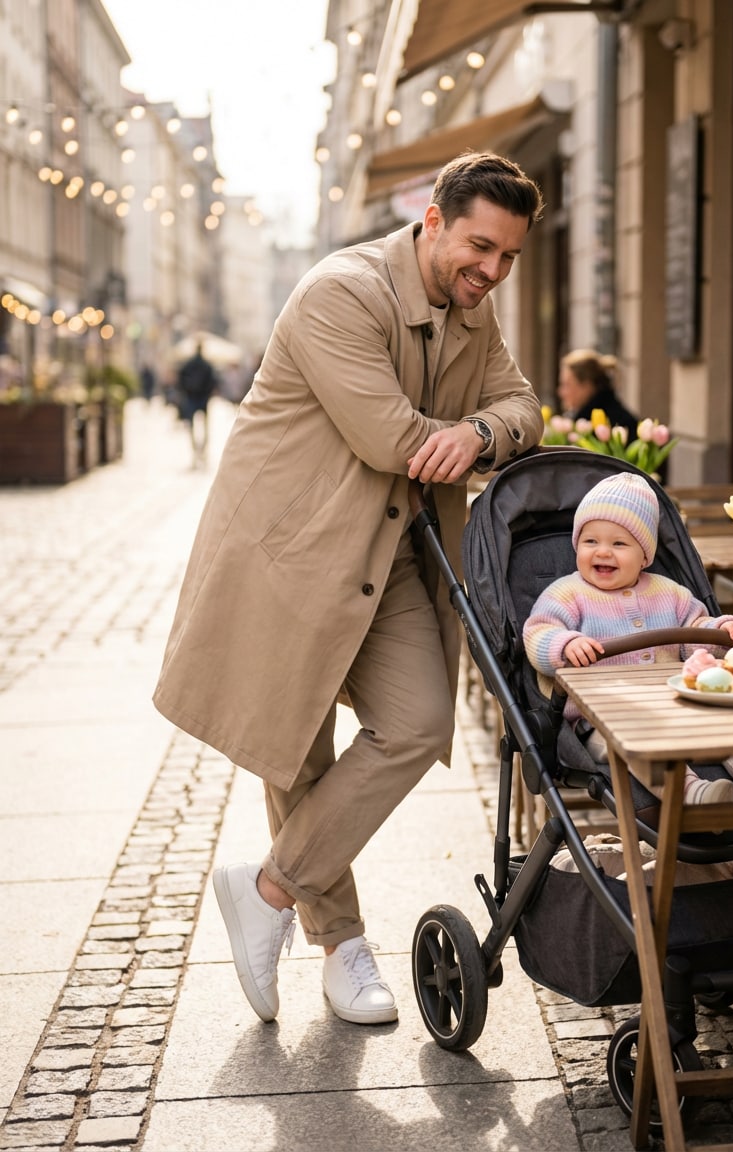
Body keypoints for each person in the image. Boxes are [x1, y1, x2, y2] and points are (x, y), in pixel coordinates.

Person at [153, 152, 545, 1027]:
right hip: (291, 554)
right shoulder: (343, 291)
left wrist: (481, 428)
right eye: (481, 248)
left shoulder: (472, 314)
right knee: (299, 748)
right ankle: (343, 949)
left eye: (509, 258)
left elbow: (524, 408)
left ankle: (267, 887)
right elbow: (387, 436)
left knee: (416, 725)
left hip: (396, 552)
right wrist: (466, 437)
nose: (492, 272)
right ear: (433, 221)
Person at [522, 472, 733, 805]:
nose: (603, 552)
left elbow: (696, 630)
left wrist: (721, 630)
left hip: (676, 703)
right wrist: (564, 644)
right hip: (604, 719)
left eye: (619, 543)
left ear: (645, 555)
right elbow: (538, 631)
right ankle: (692, 792)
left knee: (727, 720)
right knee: (636, 743)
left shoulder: (669, 593)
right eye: (590, 541)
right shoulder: (568, 593)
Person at [557, 348, 638, 443]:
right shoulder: (580, 418)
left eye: (566, 385)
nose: (560, 392)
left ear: (586, 386)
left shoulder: (618, 424)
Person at [176, 342, 219, 465]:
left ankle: (195, 448)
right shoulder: (206, 365)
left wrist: (186, 390)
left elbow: (180, 378)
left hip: (191, 398)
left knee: (192, 426)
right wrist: (208, 392)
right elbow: (213, 381)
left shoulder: (189, 364)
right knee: (205, 425)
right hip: (203, 398)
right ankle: (203, 449)